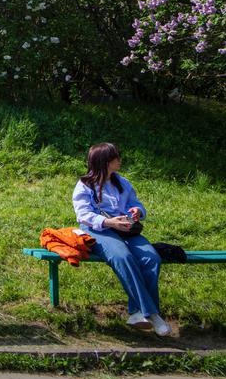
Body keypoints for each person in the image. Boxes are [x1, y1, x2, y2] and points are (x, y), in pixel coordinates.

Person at [73, 142, 170, 336]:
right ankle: (152, 314)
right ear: (105, 161)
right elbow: (83, 215)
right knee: (122, 256)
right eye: (116, 157)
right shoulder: (84, 185)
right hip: (98, 230)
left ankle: (136, 313)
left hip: (126, 229)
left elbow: (135, 203)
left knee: (151, 257)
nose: (120, 160)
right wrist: (110, 223)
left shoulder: (122, 182)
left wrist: (137, 211)